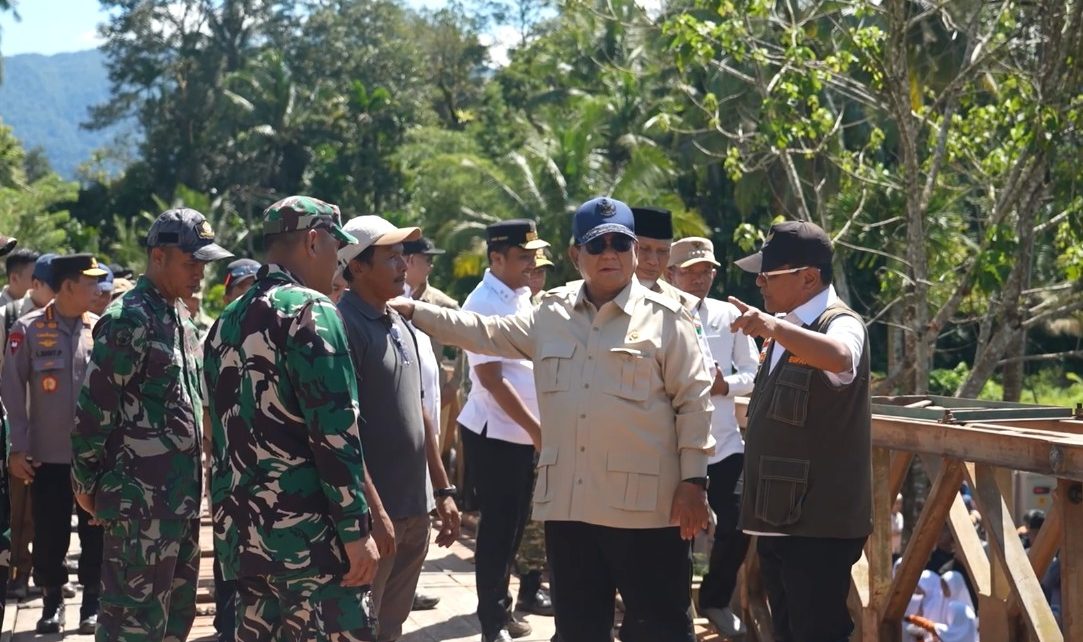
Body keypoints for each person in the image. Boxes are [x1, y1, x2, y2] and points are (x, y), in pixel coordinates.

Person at [391, 196, 714, 642]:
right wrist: (414, 311)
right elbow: (485, 332)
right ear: (575, 254)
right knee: (578, 630)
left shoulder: (667, 319)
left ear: (635, 250)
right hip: (572, 509)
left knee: (659, 630)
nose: (610, 254)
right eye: (597, 245)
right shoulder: (551, 313)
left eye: (621, 243)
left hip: (647, 512)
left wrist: (694, 482)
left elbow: (693, 403)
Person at [203, 195, 379, 642]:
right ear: (313, 241)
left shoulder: (227, 320)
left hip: (246, 541)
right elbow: (335, 432)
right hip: (312, 544)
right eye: (336, 247)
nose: (339, 262)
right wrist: (356, 531)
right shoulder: (311, 311)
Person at [73, 208, 234, 642]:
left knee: (175, 623)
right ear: (158, 256)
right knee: (131, 625)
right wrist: (85, 483)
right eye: (191, 262)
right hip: (138, 510)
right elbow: (93, 409)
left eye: (204, 263)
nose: (200, 273)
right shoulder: (129, 318)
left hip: (180, 504)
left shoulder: (178, 317)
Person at [730, 220, 871, 642]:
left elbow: (841, 356)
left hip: (817, 524)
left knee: (818, 631)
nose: (759, 283)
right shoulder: (784, 325)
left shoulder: (840, 322)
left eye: (768, 275)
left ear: (808, 278)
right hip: (779, 517)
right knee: (790, 631)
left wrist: (773, 328)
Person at [336, 215, 461, 642]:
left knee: (392, 626)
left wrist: (442, 490)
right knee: (358, 628)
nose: (404, 265)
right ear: (356, 266)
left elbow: (421, 411)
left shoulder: (400, 322)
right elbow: (342, 430)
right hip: (377, 517)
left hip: (414, 508)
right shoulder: (344, 327)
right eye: (391, 257)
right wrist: (375, 512)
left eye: (403, 255)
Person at [455, 219, 550, 641]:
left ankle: (502, 607)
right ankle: (492, 623)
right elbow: (492, 379)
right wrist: (536, 429)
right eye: (522, 256)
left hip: (523, 434)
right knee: (497, 530)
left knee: (514, 529)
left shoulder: (522, 295)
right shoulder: (481, 303)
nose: (532, 263)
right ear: (496, 258)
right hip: (496, 434)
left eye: (533, 254)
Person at [2, 254, 107, 633]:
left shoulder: (100, 329)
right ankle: (52, 602)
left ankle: (92, 602)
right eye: (89, 282)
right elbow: (12, 390)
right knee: (50, 532)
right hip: (47, 455)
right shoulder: (28, 329)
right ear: (68, 286)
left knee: (95, 530)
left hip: (94, 456)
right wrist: (17, 447)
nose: (97, 289)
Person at [666, 237, 757, 637]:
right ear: (671, 274)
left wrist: (726, 386)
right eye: (692, 272)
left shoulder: (728, 315)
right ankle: (674, 609)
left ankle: (715, 599)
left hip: (723, 443)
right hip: (674, 445)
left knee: (739, 522)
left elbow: (753, 372)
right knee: (675, 532)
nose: (701, 279)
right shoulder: (655, 313)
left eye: (707, 271)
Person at [205, 258, 260, 642]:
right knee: (229, 553)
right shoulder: (217, 335)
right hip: (228, 466)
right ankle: (226, 625)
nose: (248, 294)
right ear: (227, 295)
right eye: (241, 288)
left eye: (253, 286)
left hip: (265, 470)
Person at [1, 251, 54, 600]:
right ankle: (15, 573)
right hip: (14, 428)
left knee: (40, 509)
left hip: (46, 430)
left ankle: (37, 574)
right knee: (15, 509)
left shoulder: (62, 319)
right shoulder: (8, 317)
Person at [630, 206, 697, 311]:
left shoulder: (682, 305)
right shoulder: (603, 296)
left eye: (662, 251)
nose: (653, 261)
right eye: (643, 249)